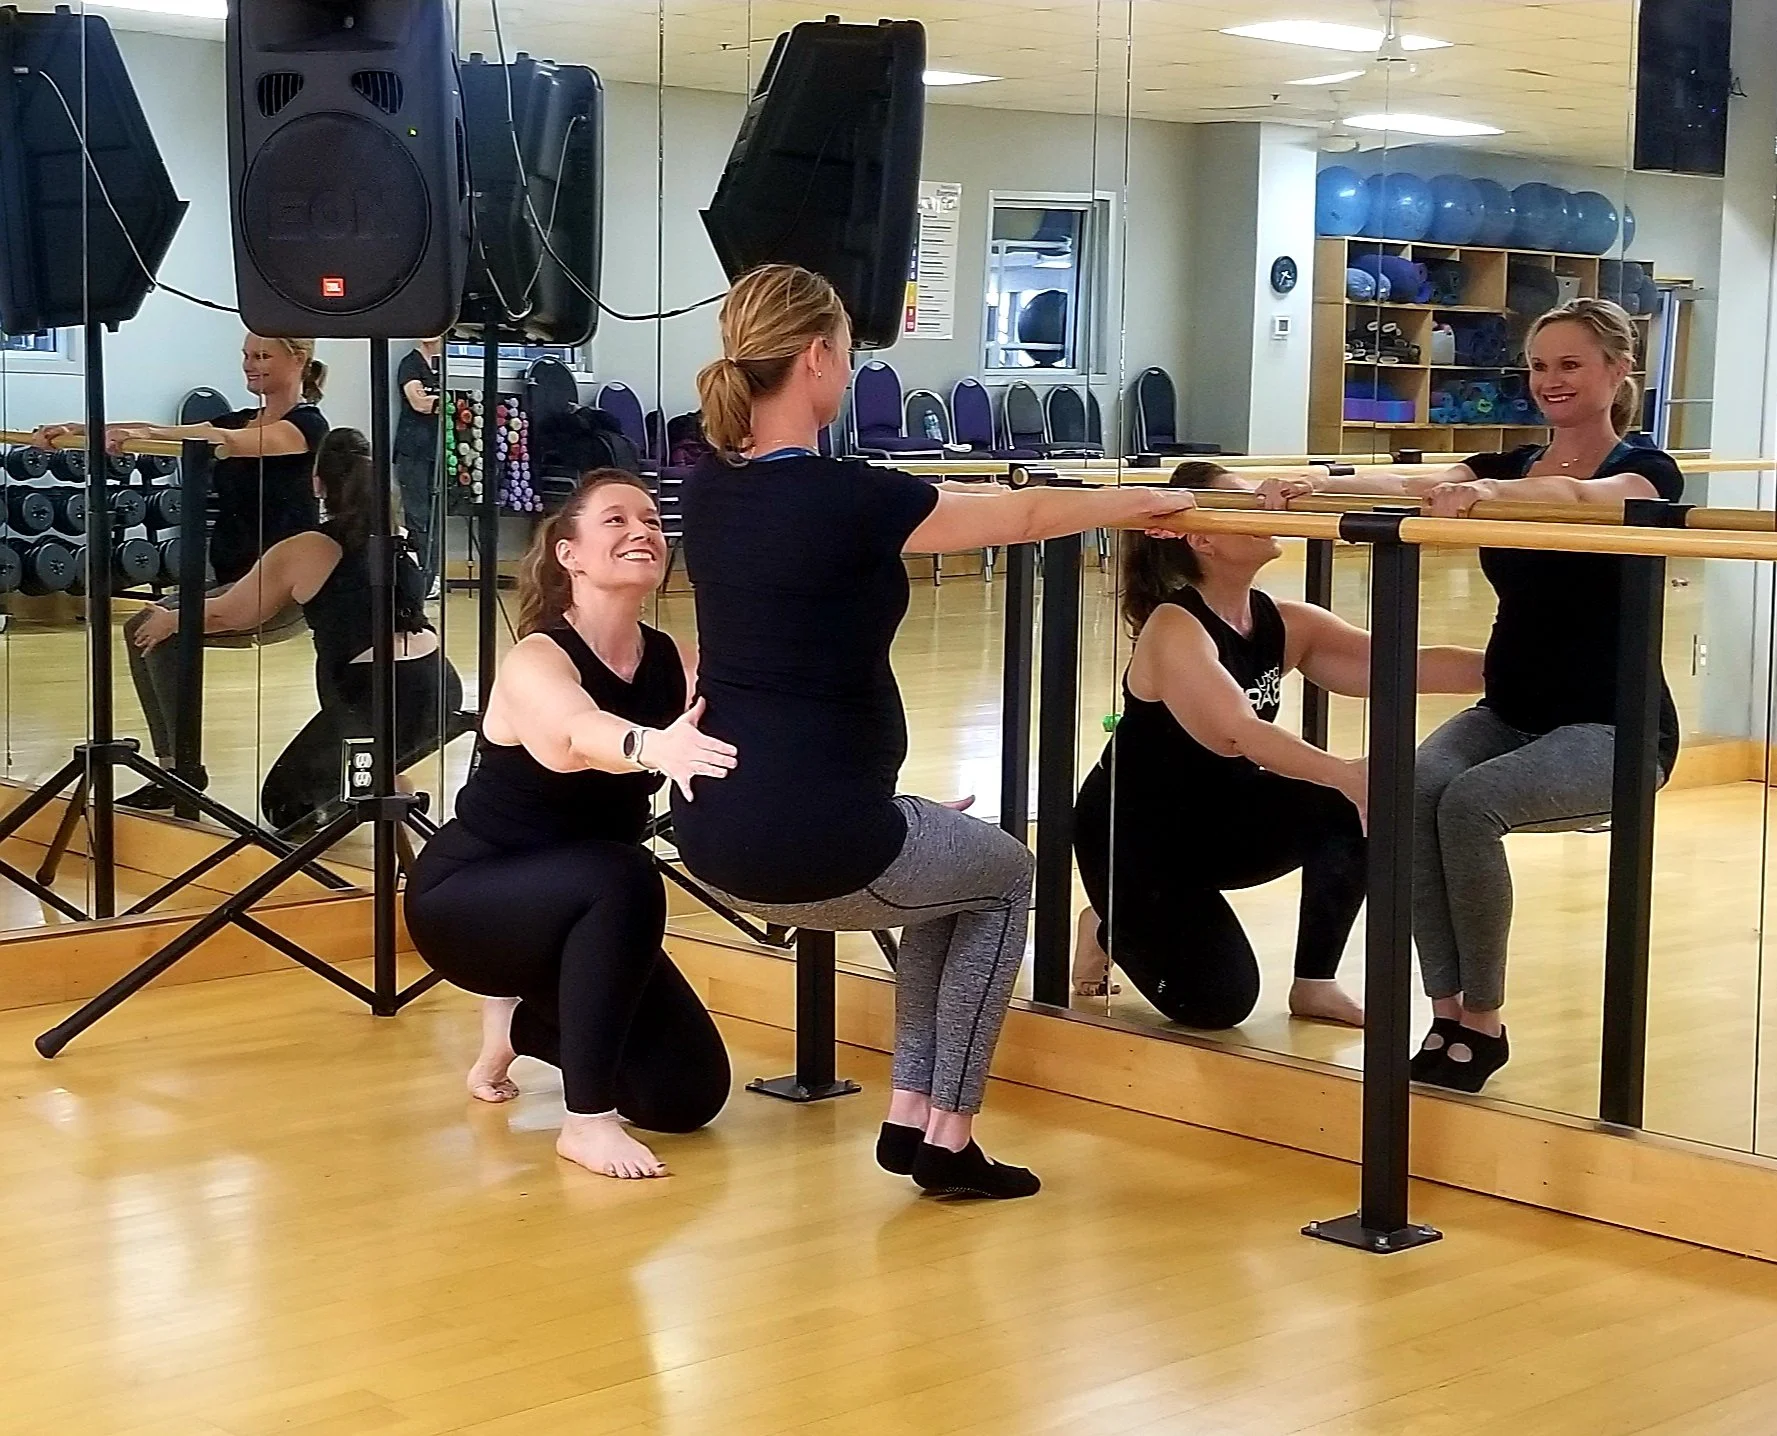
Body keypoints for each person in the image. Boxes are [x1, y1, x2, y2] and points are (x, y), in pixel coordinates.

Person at [670, 263, 1195, 1200]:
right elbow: (1024, 514)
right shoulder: (850, 498)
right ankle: (944, 1130)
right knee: (1007, 875)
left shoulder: (711, 490)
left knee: (949, 874)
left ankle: (914, 1119)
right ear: (821, 358)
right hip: (819, 845)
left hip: (712, 834)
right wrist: (1138, 502)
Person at [1262, 298, 1685, 1091]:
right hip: (1510, 711)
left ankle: (1482, 1022)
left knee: (1468, 805)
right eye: (1538, 365)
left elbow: (1585, 501)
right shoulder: (1505, 464)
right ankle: (1447, 1010)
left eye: (1571, 364)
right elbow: (1409, 478)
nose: (1550, 380)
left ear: (1620, 371)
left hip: (1612, 726)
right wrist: (1310, 482)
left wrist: (1497, 500)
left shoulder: (1647, 468)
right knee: (1412, 786)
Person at [403, 470, 737, 1180]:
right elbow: (576, 735)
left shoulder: (673, 662)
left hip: (584, 913)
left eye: (650, 520)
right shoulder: (536, 657)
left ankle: (519, 1028)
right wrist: (652, 745)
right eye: (616, 520)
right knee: (624, 874)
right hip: (470, 902)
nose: (642, 531)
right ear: (569, 553)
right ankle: (585, 1124)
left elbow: (749, 751)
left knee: (687, 1096)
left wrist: (882, 804)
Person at [1072, 460, 1485, 1032]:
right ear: (1202, 537)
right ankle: (1105, 924)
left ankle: (1315, 983)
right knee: (1217, 1005)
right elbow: (1240, 732)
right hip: (1137, 840)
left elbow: (1394, 664)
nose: (1270, 509)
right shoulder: (1175, 627)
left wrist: (1512, 670)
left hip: (1222, 822)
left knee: (1354, 806)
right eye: (1245, 504)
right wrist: (1343, 770)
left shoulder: (1285, 622)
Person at [37, 334, 330, 807]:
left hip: (279, 589)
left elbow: (227, 442)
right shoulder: (240, 418)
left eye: (261, 357)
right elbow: (160, 427)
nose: (249, 366)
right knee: (143, 630)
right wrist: (86, 428)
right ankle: (177, 771)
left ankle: (183, 774)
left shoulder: (306, 427)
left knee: (158, 630)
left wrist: (154, 437)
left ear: (297, 360)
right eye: (245, 356)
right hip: (231, 578)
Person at [128, 428, 460, 835]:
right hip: (440, 688)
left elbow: (233, 614)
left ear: (317, 483)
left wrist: (171, 619)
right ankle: (388, 786)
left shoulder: (309, 547)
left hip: (378, 698)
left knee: (287, 806)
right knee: (343, 761)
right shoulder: (399, 535)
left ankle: (378, 792)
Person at [394, 337, 443, 592]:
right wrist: (446, 403)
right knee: (418, 516)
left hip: (437, 451)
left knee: (436, 515)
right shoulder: (410, 365)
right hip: (413, 452)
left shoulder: (445, 366)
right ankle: (423, 576)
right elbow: (420, 403)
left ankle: (433, 574)